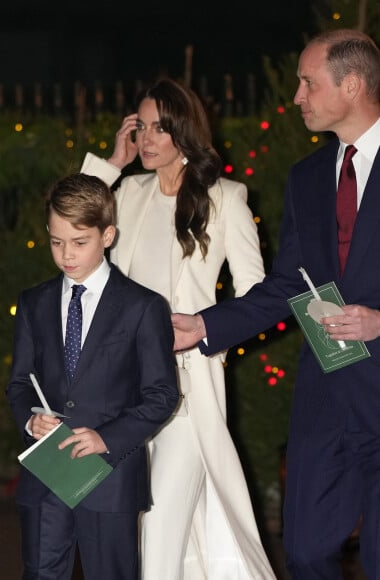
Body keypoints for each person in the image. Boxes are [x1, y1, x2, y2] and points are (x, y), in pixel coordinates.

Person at [172, 29, 380, 579]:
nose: (297, 97)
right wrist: (203, 325)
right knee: (307, 553)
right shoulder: (307, 177)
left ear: (353, 84)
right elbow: (287, 282)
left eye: (308, 83)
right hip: (326, 393)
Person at [81, 78, 275, 579]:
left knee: (160, 534)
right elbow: (73, 231)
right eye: (140, 127)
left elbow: (261, 297)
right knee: (137, 531)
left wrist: (206, 329)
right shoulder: (127, 193)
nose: (146, 138)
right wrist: (110, 164)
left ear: (183, 132)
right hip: (123, 390)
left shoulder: (226, 198)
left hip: (187, 393)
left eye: (159, 128)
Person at [6, 173, 179, 580]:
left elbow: (162, 395)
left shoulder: (143, 306)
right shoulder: (34, 302)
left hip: (110, 477)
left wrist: (107, 437)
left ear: (108, 234)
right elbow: (18, 383)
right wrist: (30, 420)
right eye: (56, 241)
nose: (67, 254)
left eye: (79, 242)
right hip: (45, 473)